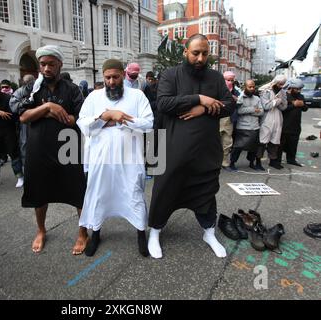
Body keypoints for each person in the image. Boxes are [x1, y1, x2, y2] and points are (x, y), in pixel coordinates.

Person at [147, 34, 235, 259]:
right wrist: (199, 98)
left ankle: (208, 232)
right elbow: (164, 103)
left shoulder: (215, 77)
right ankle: (155, 231)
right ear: (185, 51)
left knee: (206, 192)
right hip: (174, 150)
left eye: (205, 53)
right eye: (196, 52)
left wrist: (204, 109)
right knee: (164, 191)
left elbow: (229, 105)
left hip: (205, 151)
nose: (200, 58)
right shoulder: (170, 74)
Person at [77, 59, 154, 257]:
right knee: (99, 194)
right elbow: (83, 123)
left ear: (123, 75)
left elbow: (149, 123)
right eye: (107, 77)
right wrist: (106, 117)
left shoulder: (137, 96)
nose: (111, 81)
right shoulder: (94, 97)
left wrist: (122, 119)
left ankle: (140, 234)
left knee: (134, 194)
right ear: (103, 77)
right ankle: (96, 234)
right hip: (100, 159)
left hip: (129, 158)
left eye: (115, 77)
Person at [19, 45, 88, 255]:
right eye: (42, 64)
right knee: (39, 193)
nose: (46, 68)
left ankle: (83, 232)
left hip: (67, 146)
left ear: (60, 64)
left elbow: (80, 116)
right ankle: (41, 230)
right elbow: (23, 116)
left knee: (77, 191)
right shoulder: (33, 89)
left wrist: (65, 116)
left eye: (51, 64)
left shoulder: (72, 89)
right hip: (38, 147)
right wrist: (48, 108)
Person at [229, 80, 264, 171]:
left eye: (253, 87)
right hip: (243, 126)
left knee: (253, 147)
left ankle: (251, 163)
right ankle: (232, 163)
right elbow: (240, 111)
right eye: (250, 87)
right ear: (245, 87)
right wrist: (253, 109)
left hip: (255, 126)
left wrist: (250, 111)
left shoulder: (257, 98)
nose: (252, 89)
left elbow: (261, 112)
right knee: (238, 147)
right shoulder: (240, 97)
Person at [256, 75, 288, 170]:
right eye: (279, 84)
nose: (281, 86)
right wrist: (277, 101)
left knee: (275, 140)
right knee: (262, 140)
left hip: (278, 118)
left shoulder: (282, 92)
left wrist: (279, 102)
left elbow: (284, 107)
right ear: (275, 82)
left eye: (282, 84)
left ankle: (273, 161)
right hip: (267, 118)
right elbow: (266, 106)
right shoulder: (265, 91)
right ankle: (258, 161)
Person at [277, 78, 308, 167]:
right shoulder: (285, 96)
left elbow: (305, 108)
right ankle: (277, 161)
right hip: (285, 125)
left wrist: (303, 105)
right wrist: (293, 105)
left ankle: (291, 159)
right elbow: (283, 109)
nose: (298, 91)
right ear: (291, 87)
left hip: (296, 125)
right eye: (297, 89)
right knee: (281, 144)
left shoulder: (301, 96)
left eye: (300, 89)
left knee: (293, 144)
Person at [10, 74, 36, 166]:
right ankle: (26, 166)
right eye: (26, 83)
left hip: (38, 118)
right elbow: (13, 106)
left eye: (30, 82)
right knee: (24, 142)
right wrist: (23, 103)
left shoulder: (39, 89)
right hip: (25, 120)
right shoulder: (19, 92)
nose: (28, 85)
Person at [220, 71, 240, 170]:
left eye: (232, 80)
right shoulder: (217, 89)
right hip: (218, 119)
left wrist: (236, 99)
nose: (230, 82)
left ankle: (225, 162)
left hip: (229, 119)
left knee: (227, 142)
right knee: (214, 142)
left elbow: (241, 101)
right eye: (228, 80)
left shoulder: (235, 91)